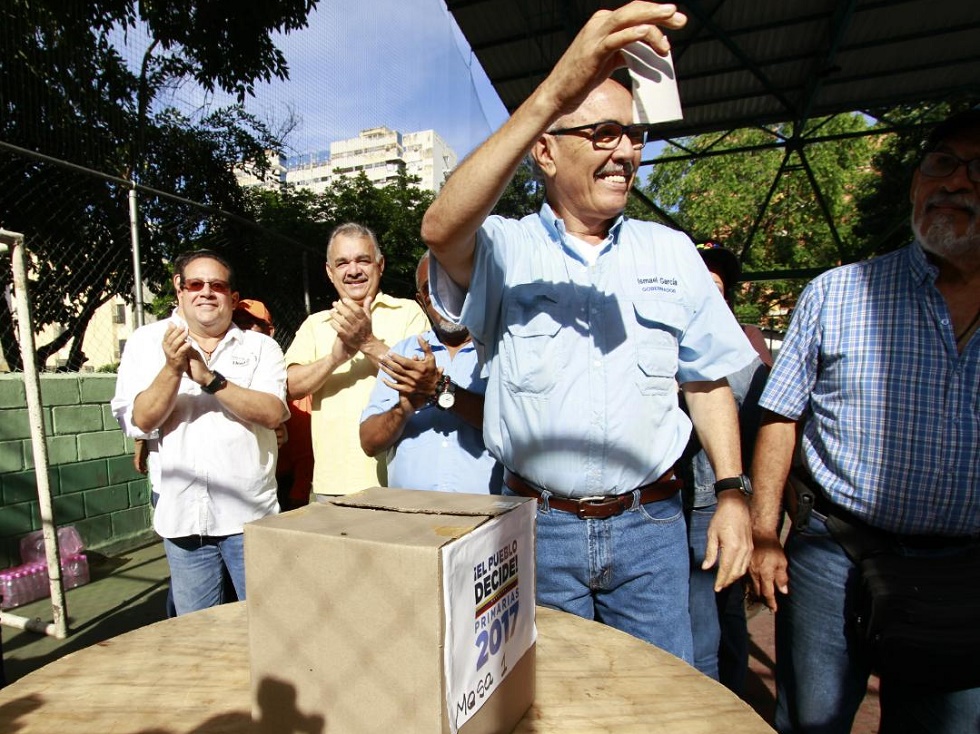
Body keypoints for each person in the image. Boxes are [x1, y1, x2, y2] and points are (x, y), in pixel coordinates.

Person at [420, 2, 758, 660]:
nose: (626, 150)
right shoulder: (503, 250)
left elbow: (708, 380)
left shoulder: (671, 252)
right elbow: (439, 228)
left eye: (633, 135)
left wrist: (732, 492)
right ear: (544, 150)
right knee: (553, 704)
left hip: (653, 529)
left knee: (660, 701)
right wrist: (554, 90)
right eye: (602, 132)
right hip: (538, 528)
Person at [749, 109, 980, 733]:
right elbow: (779, 414)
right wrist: (765, 535)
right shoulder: (837, 293)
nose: (956, 182)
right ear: (914, 184)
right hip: (835, 555)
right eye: (941, 164)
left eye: (978, 169)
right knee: (812, 723)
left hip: (963, 572)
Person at [111, 250, 288, 615]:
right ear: (179, 290)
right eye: (195, 283)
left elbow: (272, 412)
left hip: (250, 517)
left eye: (217, 285)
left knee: (263, 623)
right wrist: (173, 370)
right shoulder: (146, 342)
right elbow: (140, 420)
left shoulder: (261, 347)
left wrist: (208, 379)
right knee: (195, 631)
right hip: (183, 519)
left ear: (233, 298)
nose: (206, 292)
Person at [680, 242, 771, 692]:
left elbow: (762, 443)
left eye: (717, 286)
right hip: (656, 509)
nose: (708, 294)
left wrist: (754, 520)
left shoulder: (743, 360)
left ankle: (725, 705)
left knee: (715, 622)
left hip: (707, 510)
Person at [284, 223, 428, 498]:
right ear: (330, 272)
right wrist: (334, 360)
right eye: (342, 263)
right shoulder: (316, 324)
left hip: (398, 483)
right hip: (332, 486)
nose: (353, 271)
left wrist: (367, 343)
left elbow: (421, 380)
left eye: (363, 260)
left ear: (380, 264)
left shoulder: (408, 313)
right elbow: (290, 386)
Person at [359, 252, 503, 494]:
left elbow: (512, 428)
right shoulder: (403, 354)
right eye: (432, 288)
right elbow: (369, 442)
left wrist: (440, 388)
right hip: (412, 518)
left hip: (488, 517)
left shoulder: (502, 349)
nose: (445, 296)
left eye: (455, 283)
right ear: (420, 300)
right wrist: (404, 408)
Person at [233, 299, 313, 512]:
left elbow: (303, 449)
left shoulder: (288, 379)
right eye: (237, 322)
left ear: (270, 331)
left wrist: (299, 493)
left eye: (252, 323)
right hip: (234, 484)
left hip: (279, 485)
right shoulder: (221, 370)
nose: (243, 329)